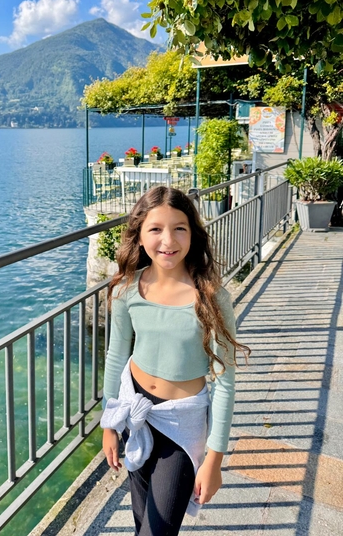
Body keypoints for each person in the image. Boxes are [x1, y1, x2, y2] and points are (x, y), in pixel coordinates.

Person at [101, 186, 250, 536]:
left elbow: (225, 382)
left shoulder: (211, 298)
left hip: (182, 425)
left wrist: (214, 458)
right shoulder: (126, 289)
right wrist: (109, 424)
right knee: (142, 521)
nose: (168, 240)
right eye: (155, 229)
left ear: (193, 234)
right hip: (135, 411)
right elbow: (116, 355)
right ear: (139, 236)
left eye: (179, 228)